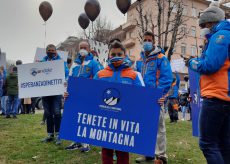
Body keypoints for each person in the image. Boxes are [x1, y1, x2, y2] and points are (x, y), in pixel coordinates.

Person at [188, 6, 230, 164]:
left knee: (207, 143)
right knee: (224, 144)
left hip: (216, 96)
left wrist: (192, 63)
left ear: (210, 23)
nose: (202, 30)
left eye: (202, 26)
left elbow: (210, 66)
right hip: (225, 96)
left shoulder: (221, 35)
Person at [94, 40, 145, 164]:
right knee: (106, 151)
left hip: (124, 120)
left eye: (119, 54)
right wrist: (71, 95)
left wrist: (155, 100)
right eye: (113, 54)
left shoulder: (133, 75)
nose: (116, 57)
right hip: (105, 119)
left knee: (123, 152)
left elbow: (142, 96)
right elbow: (90, 95)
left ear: (124, 55)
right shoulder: (100, 74)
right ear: (108, 56)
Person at [135, 31, 173, 164]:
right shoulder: (140, 60)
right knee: (144, 126)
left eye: (149, 40)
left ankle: (161, 156)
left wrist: (160, 94)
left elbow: (167, 78)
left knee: (158, 128)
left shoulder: (161, 58)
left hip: (155, 98)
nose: (146, 42)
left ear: (153, 42)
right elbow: (136, 78)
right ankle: (148, 154)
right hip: (142, 98)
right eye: (144, 39)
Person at [65, 40, 102, 152]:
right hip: (74, 96)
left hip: (88, 96)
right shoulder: (75, 64)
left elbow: (98, 78)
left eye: (85, 47)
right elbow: (69, 79)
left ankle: (86, 143)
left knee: (86, 119)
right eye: (81, 47)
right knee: (75, 118)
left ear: (89, 49)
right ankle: (76, 142)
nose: (83, 49)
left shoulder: (94, 63)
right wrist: (67, 91)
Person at [41, 44, 68, 145]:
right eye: (49, 50)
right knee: (48, 113)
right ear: (46, 51)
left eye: (53, 50)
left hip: (56, 91)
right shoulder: (42, 62)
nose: (51, 52)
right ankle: (50, 135)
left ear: (56, 51)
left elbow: (66, 72)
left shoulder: (61, 62)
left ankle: (58, 135)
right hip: (45, 92)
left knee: (57, 113)